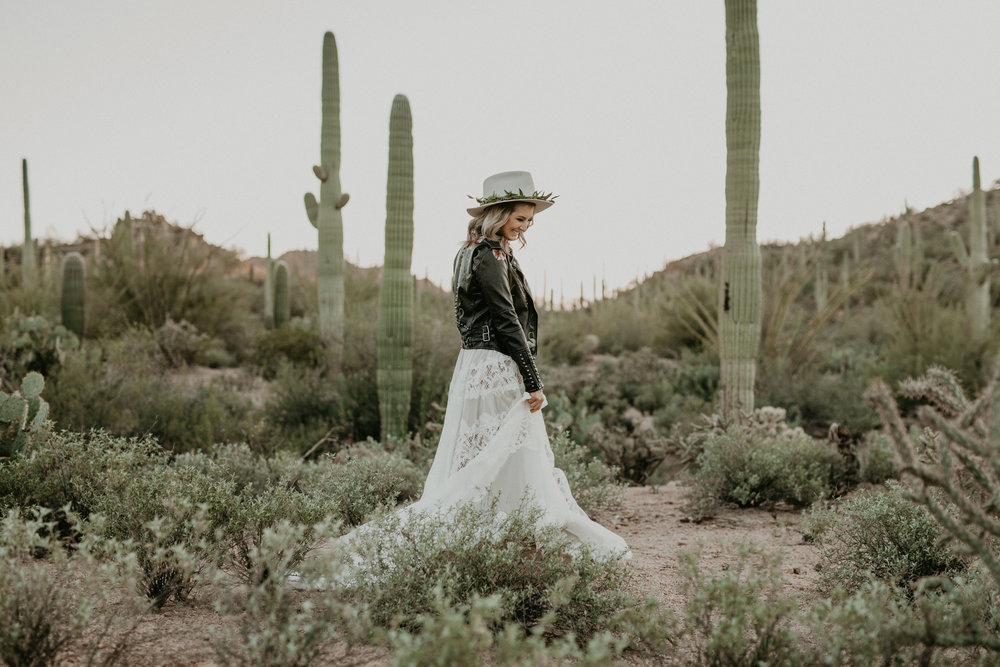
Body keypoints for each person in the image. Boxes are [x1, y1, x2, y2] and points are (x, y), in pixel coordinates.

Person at [408, 170, 630, 559]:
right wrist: (532, 380)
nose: (525, 226)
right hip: (495, 364)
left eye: (529, 220)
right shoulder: (490, 255)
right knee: (511, 448)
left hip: (474, 363)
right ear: (498, 214)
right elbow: (506, 319)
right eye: (520, 218)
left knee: (487, 452)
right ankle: (511, 536)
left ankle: (488, 536)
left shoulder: (469, 251)